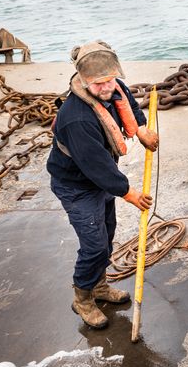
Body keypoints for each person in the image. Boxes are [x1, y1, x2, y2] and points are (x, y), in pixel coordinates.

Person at [47, 40, 159, 329]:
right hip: (76, 186)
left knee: (107, 233)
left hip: (99, 181)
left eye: (110, 80)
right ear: (83, 82)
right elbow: (97, 166)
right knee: (94, 246)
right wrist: (129, 192)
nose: (107, 87)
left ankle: (99, 286)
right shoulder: (76, 119)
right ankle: (83, 299)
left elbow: (127, 104)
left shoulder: (111, 86)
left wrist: (143, 129)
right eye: (99, 84)